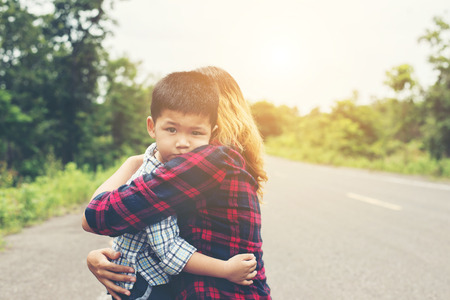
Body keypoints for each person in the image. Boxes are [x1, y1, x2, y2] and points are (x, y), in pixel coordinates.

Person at [84, 66, 270, 299]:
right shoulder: (228, 163)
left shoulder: (210, 161)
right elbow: (154, 230)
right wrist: (107, 257)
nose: (183, 142)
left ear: (215, 116)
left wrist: (134, 162)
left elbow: (96, 216)